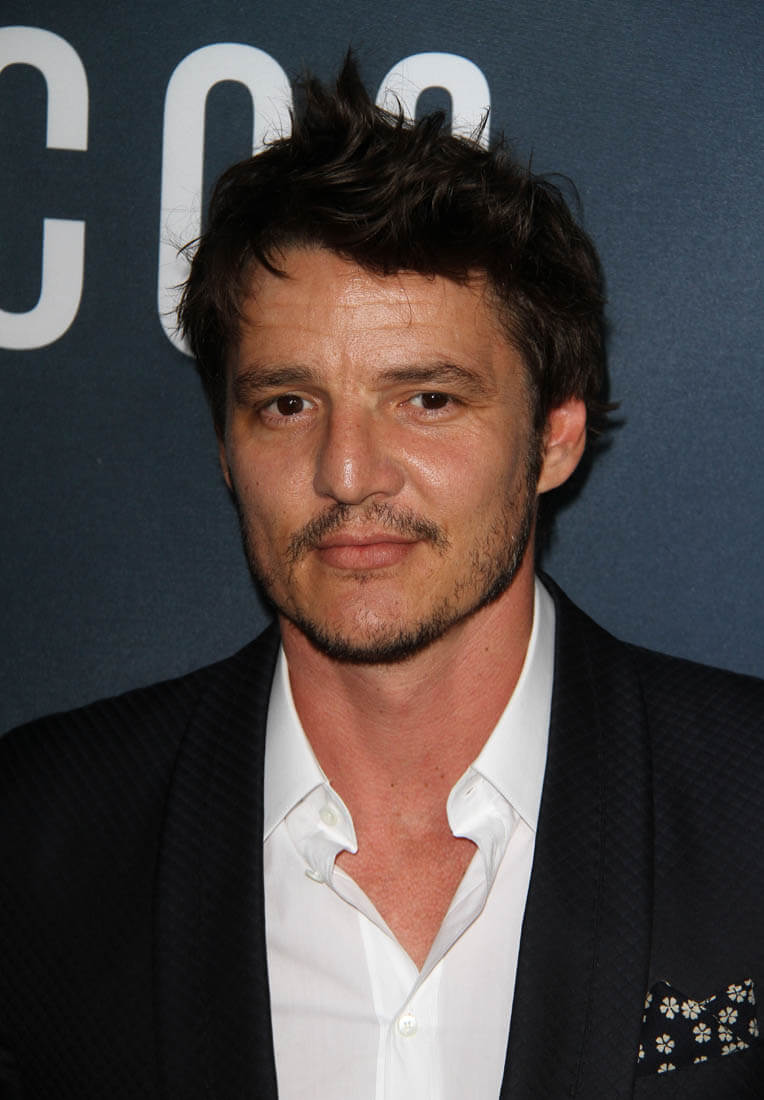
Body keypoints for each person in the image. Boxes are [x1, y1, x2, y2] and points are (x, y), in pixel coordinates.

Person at [1, 55, 762, 1100]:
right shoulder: (42, 836)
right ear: (225, 447)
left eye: (427, 400)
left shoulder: (744, 802)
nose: (347, 473)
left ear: (554, 437)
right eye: (287, 404)